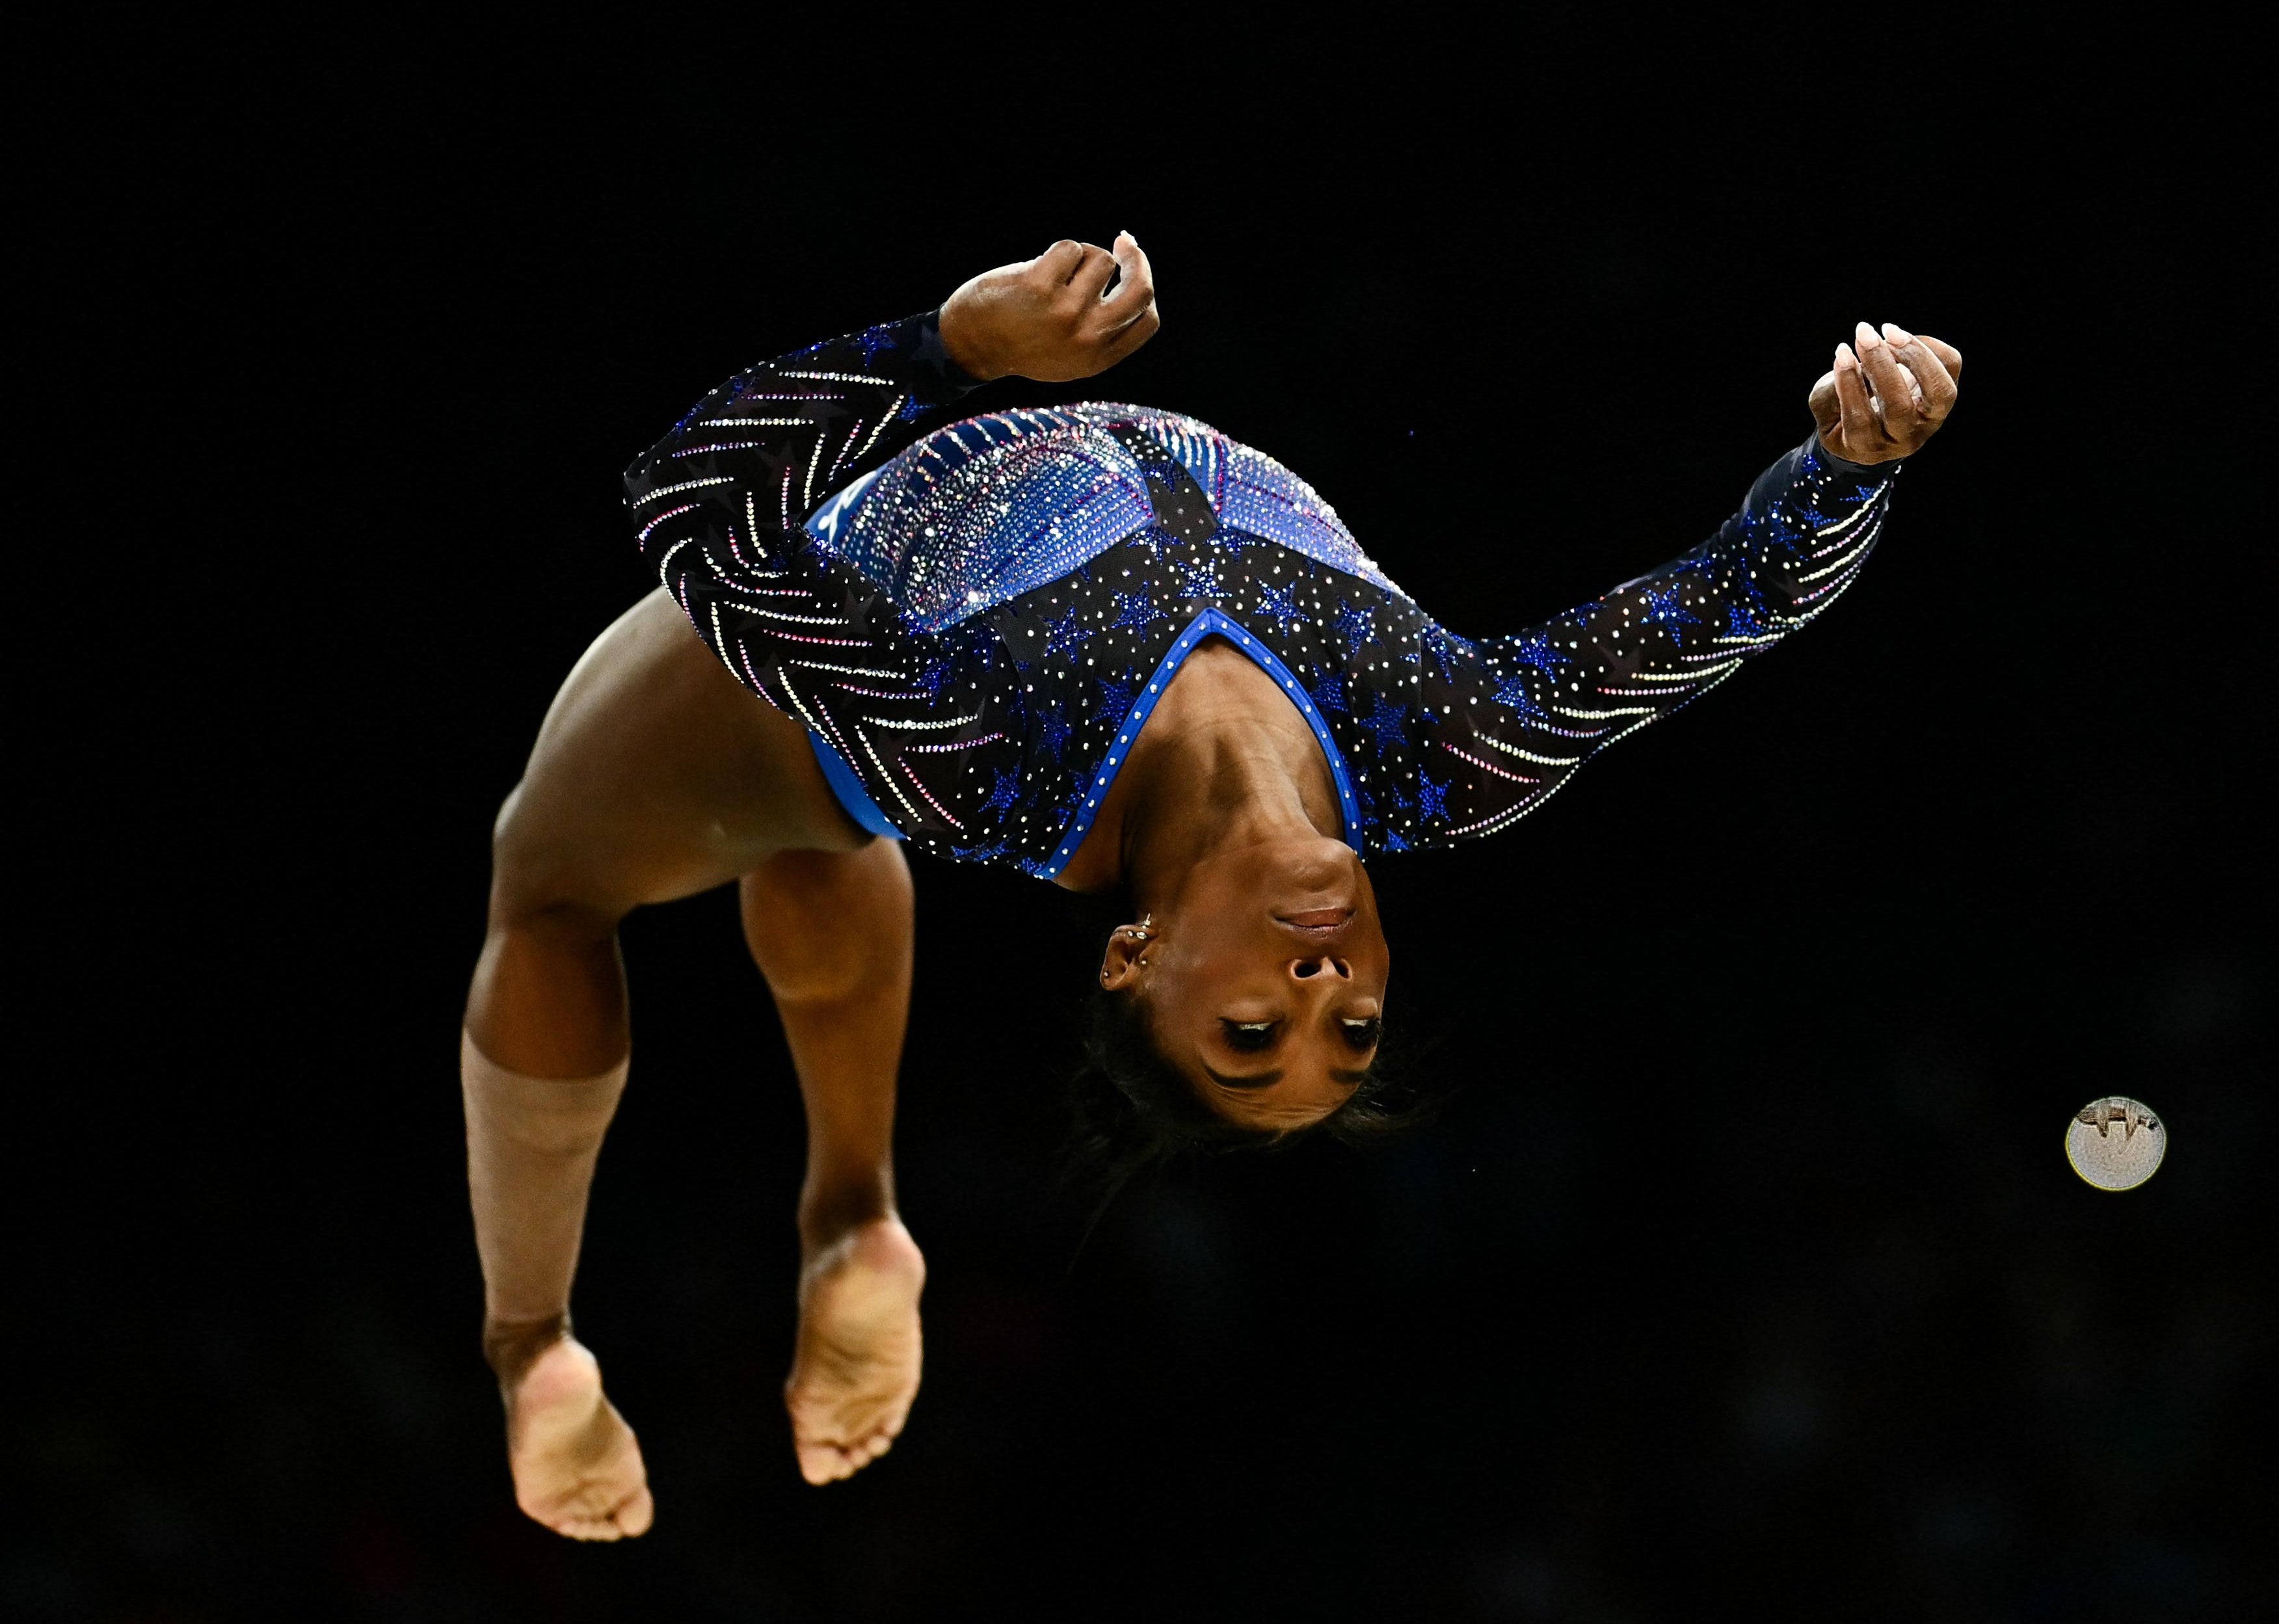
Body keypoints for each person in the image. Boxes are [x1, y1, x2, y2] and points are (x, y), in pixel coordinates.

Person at [462, 230, 1962, 1538]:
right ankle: (856, 1217)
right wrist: (1849, 465)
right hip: (874, 750)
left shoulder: (984, 748)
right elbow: (1725, 606)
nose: (1321, 993)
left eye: (1250, 1035)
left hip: (821, 670)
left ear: (1135, 959)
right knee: (819, 856)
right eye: (1355, 1031)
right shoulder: (1449, 748)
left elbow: (688, 499)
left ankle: (530, 1343)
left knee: (551, 884)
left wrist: (955, 345)